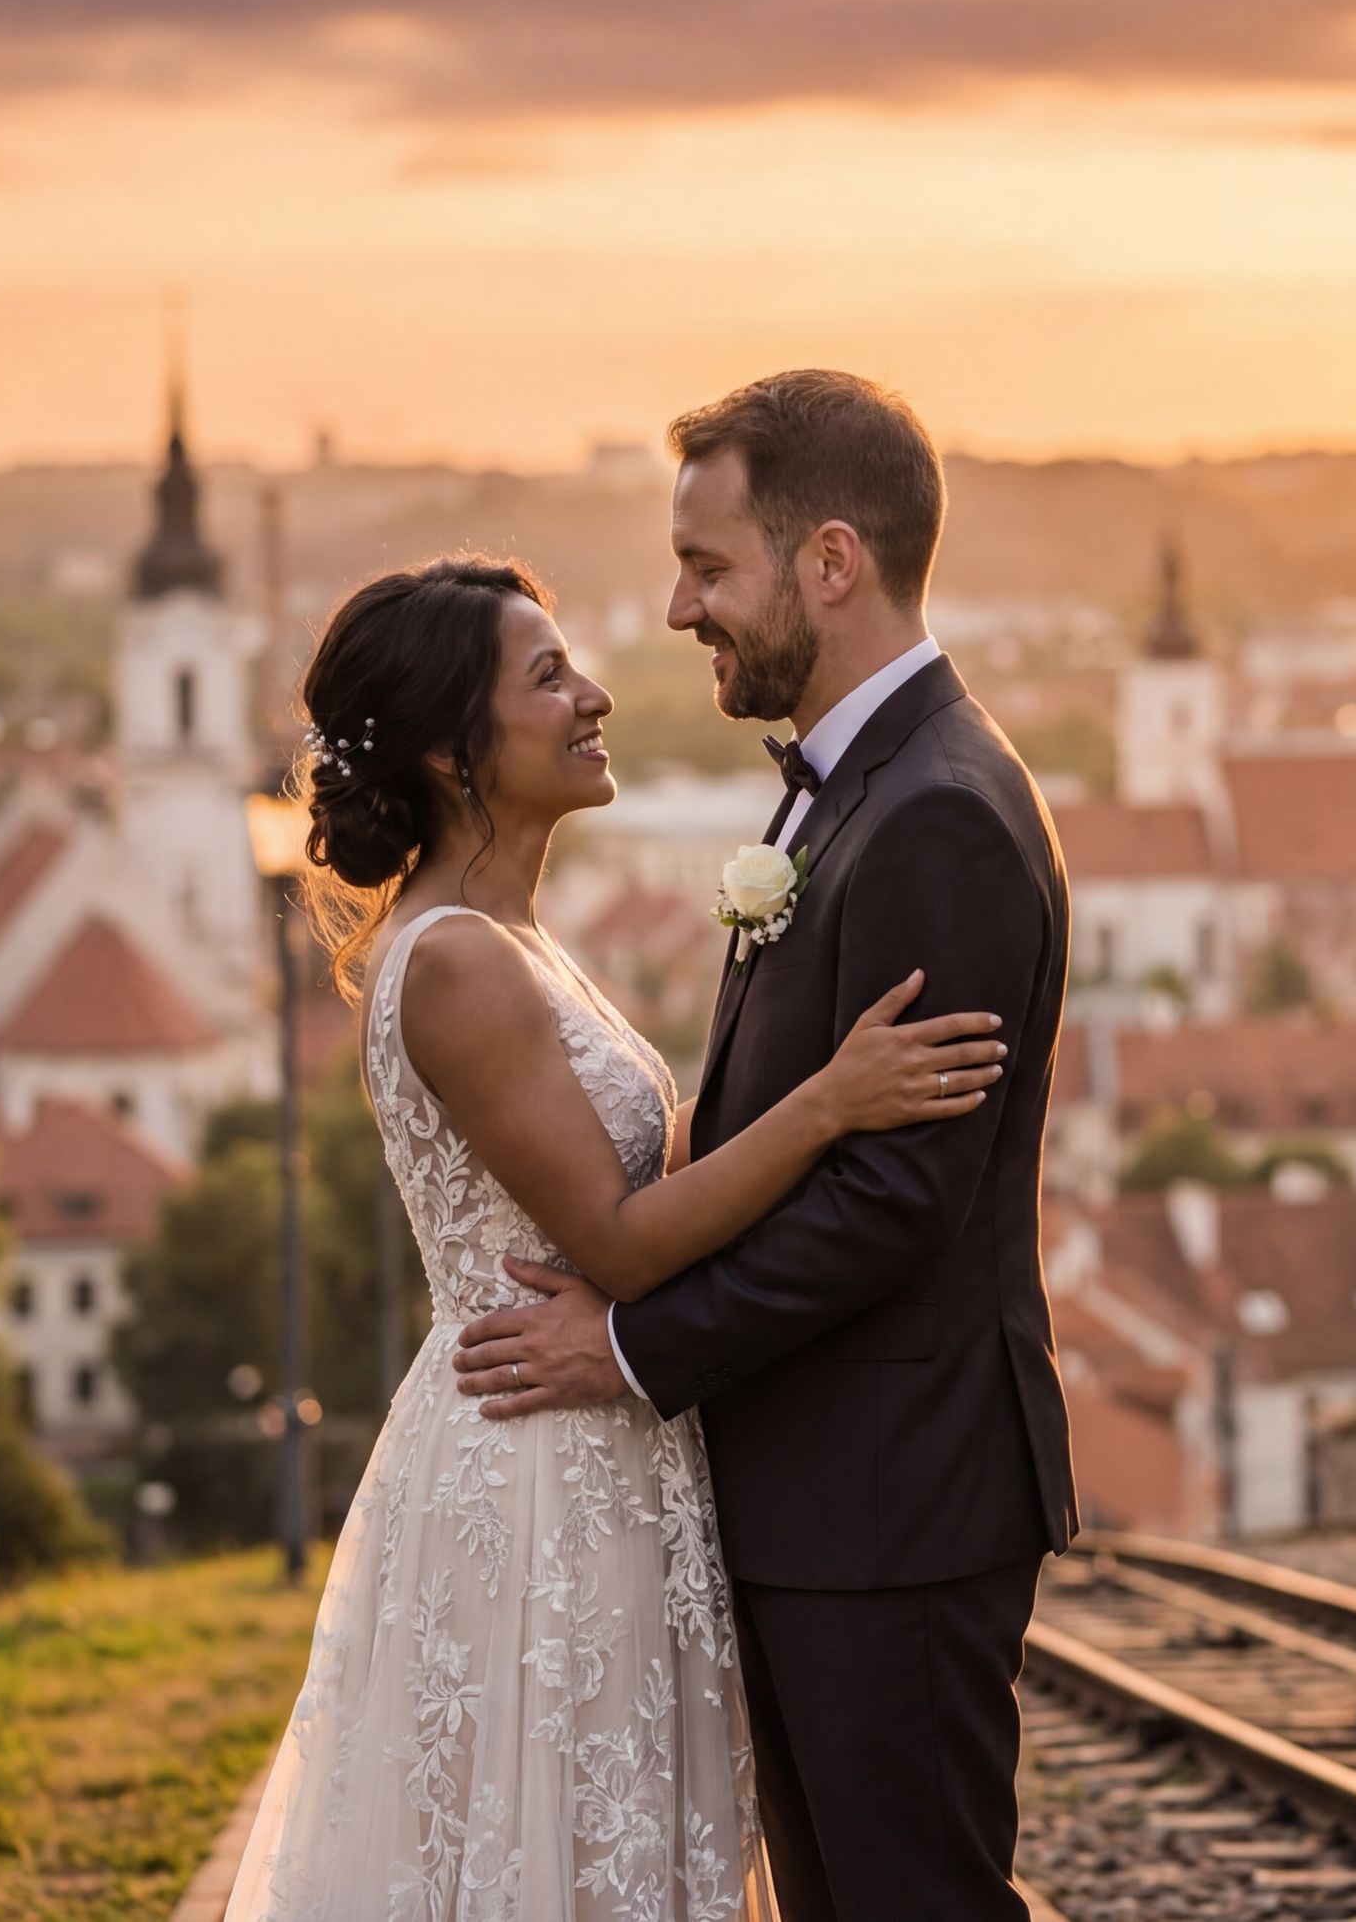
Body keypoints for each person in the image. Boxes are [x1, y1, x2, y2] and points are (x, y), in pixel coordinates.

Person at [223, 550, 1010, 1921]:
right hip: (535, 1461)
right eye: (548, 678)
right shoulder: (457, 959)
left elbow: (640, 1167)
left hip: (593, 1439)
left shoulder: (514, 939)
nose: (594, 695)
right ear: (450, 752)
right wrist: (831, 1102)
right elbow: (627, 1241)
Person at [450, 370, 1076, 1921]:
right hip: (832, 1494)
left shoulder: (937, 813)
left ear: (831, 561)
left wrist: (631, 1346)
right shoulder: (853, 790)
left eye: (707, 567)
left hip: (894, 1496)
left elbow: (894, 1203)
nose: (680, 610)